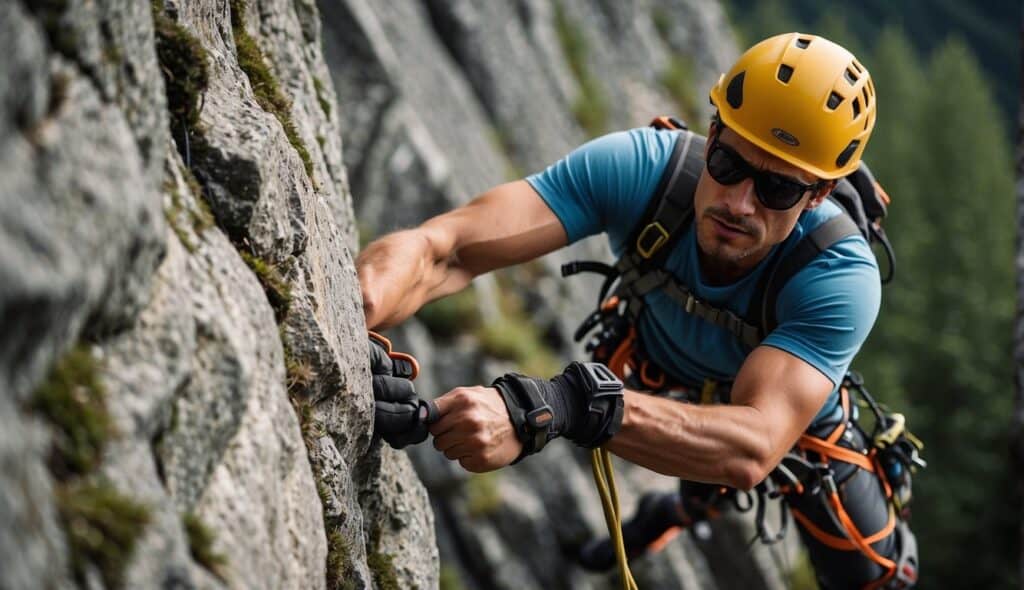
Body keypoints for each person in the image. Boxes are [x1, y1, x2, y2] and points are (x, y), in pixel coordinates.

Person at [359, 33, 918, 590]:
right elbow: (446, 248)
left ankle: (679, 511)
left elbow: (752, 446)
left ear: (818, 195)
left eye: (776, 189)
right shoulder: (645, 170)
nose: (739, 202)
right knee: (706, 458)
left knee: (876, 576)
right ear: (714, 133)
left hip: (780, 413)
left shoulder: (836, 276)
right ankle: (688, 504)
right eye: (726, 163)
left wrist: (561, 406)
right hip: (661, 365)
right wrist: (362, 303)